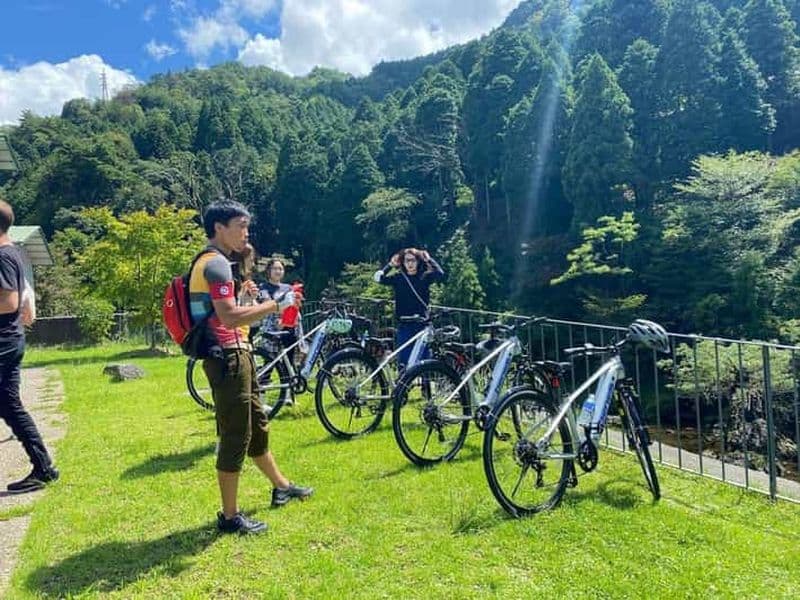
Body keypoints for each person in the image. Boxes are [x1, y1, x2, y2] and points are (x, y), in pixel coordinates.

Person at [192, 200, 313, 535]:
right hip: (226, 358)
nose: (246, 233)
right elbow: (228, 316)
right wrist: (277, 304)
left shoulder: (220, 264)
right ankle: (230, 518)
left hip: (237, 353)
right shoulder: (215, 264)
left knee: (257, 426)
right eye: (240, 225)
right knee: (236, 435)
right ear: (219, 227)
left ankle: (282, 486)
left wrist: (251, 303)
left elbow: (226, 312)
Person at [0, 199, 59, 493]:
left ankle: (44, 466)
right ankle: (43, 467)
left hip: (4, 340)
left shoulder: (2, 256)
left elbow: (9, 301)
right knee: (9, 405)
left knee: (9, 405)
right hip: (11, 339)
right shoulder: (12, 254)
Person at [373, 247, 445, 370]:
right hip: (404, 324)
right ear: (403, 263)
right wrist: (390, 265)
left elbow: (440, 274)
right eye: (407, 261)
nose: (410, 263)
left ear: (418, 261)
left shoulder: (424, 277)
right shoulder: (398, 278)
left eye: (413, 260)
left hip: (421, 324)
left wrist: (429, 260)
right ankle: (403, 387)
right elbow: (378, 278)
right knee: (404, 359)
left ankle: (425, 388)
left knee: (424, 360)